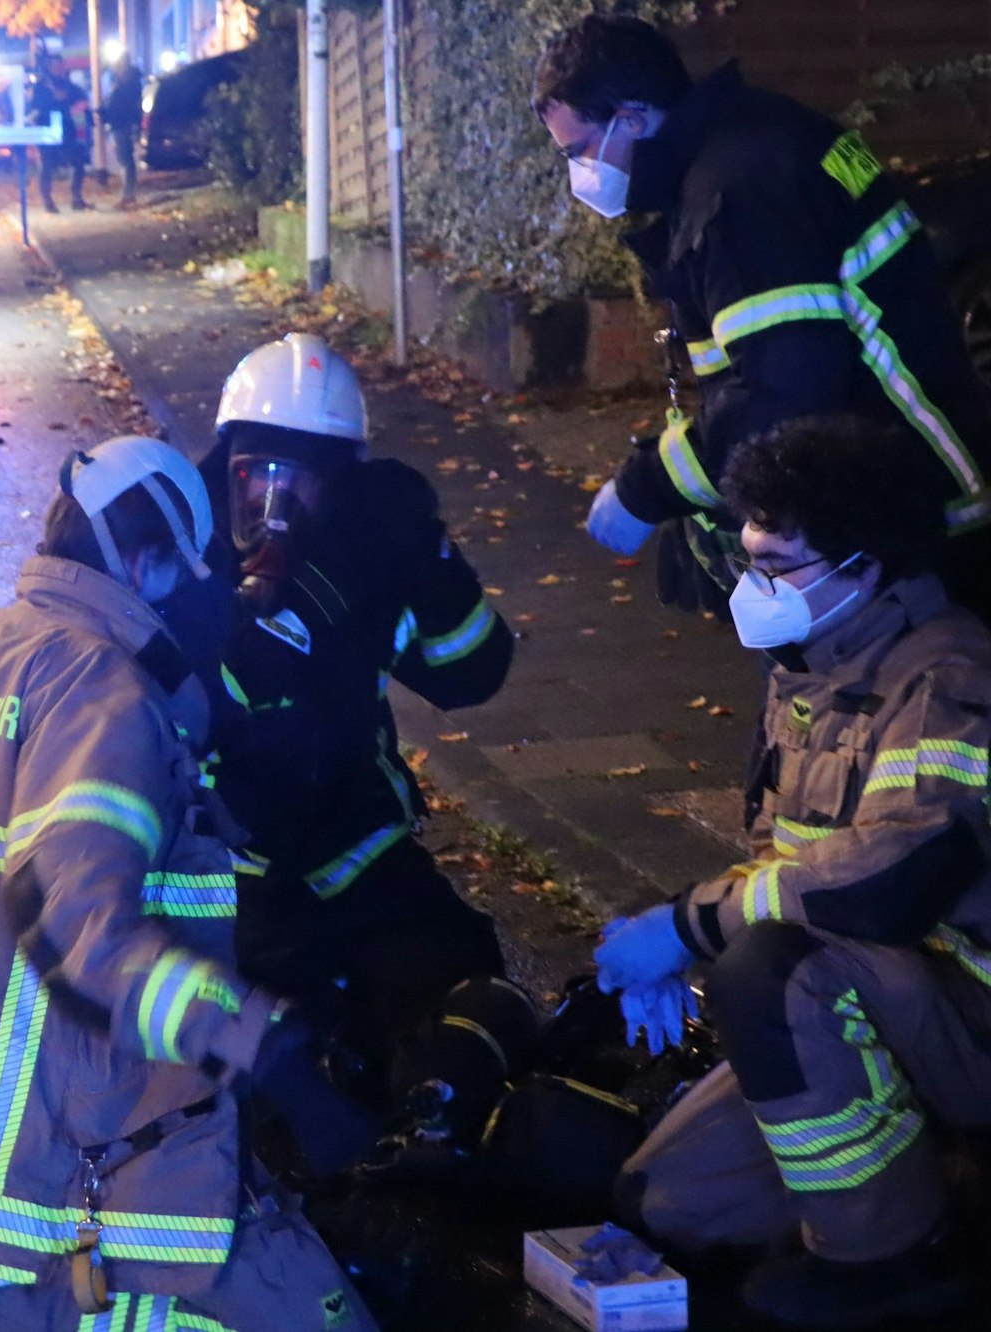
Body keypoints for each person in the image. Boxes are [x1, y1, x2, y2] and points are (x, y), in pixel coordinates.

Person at [0, 436, 380, 1330]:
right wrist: (270, 1052)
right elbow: (78, 935)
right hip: (54, 1180)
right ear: (148, 565)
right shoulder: (103, 692)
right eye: (194, 577)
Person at [597, 416, 991, 1329]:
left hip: (966, 1012)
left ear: (869, 562)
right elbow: (790, 863)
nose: (753, 587)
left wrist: (690, 926)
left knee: (768, 968)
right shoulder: (813, 664)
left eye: (779, 565)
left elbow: (890, 881)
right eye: (749, 559)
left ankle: (892, 1261)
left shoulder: (949, 678)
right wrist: (673, 943)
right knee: (659, 1204)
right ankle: (941, 1184)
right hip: (885, 1008)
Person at [532, 15, 991, 623]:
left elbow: (784, 395)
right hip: (894, 484)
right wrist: (712, 509)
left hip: (906, 513)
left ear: (632, 118)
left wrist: (646, 490)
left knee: (902, 702)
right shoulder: (747, 144)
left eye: (579, 150)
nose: (578, 175)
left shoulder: (735, 196)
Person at [200, 333, 514, 1093]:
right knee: (260, 1053)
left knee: (466, 984)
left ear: (337, 487)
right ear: (225, 469)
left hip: (355, 845)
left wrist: (427, 562)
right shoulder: (186, 557)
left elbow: (470, 672)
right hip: (227, 869)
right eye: (253, 475)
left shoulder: (362, 563)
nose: (268, 503)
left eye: (294, 481)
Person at [31, 57, 90, 213]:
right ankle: (47, 200)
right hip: (47, 131)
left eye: (61, 65)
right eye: (56, 66)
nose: (60, 68)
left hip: (68, 130)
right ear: (50, 67)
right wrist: (53, 100)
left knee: (78, 163)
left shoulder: (69, 86)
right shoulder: (42, 87)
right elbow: (36, 108)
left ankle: (77, 198)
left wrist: (82, 107)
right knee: (46, 165)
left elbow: (81, 101)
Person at [102, 52, 144, 207]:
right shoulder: (129, 81)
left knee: (125, 159)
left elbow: (122, 105)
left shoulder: (127, 83)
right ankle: (128, 194)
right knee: (126, 159)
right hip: (121, 123)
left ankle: (128, 195)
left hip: (121, 124)